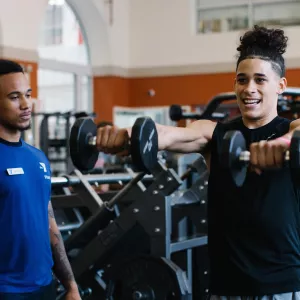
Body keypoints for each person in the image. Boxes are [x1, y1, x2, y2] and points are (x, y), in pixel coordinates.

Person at [96, 25, 300, 299]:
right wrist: (126, 136)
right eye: (242, 80)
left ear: (281, 86)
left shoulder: (291, 131)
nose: (249, 89)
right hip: (225, 287)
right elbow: (169, 134)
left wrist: (279, 146)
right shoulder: (215, 133)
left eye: (260, 80)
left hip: (283, 286)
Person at [0, 59, 81, 300]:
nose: (26, 105)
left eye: (28, 95)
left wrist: (70, 284)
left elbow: (50, 224)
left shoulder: (38, 158)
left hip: (45, 286)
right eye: (14, 97)